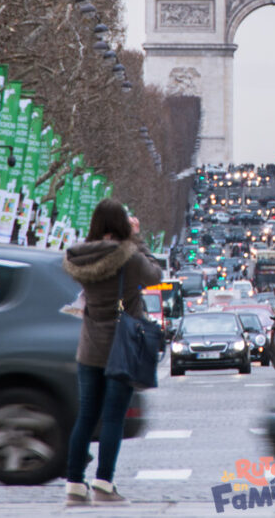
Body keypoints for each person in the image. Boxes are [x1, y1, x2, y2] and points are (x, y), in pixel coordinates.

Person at [61, 199, 162, 505]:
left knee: (86, 416)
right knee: (113, 418)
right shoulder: (129, 256)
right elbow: (155, 275)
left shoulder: (79, 256)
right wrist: (137, 239)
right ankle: (104, 483)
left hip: (90, 346)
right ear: (121, 224)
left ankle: (74, 484)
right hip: (122, 346)